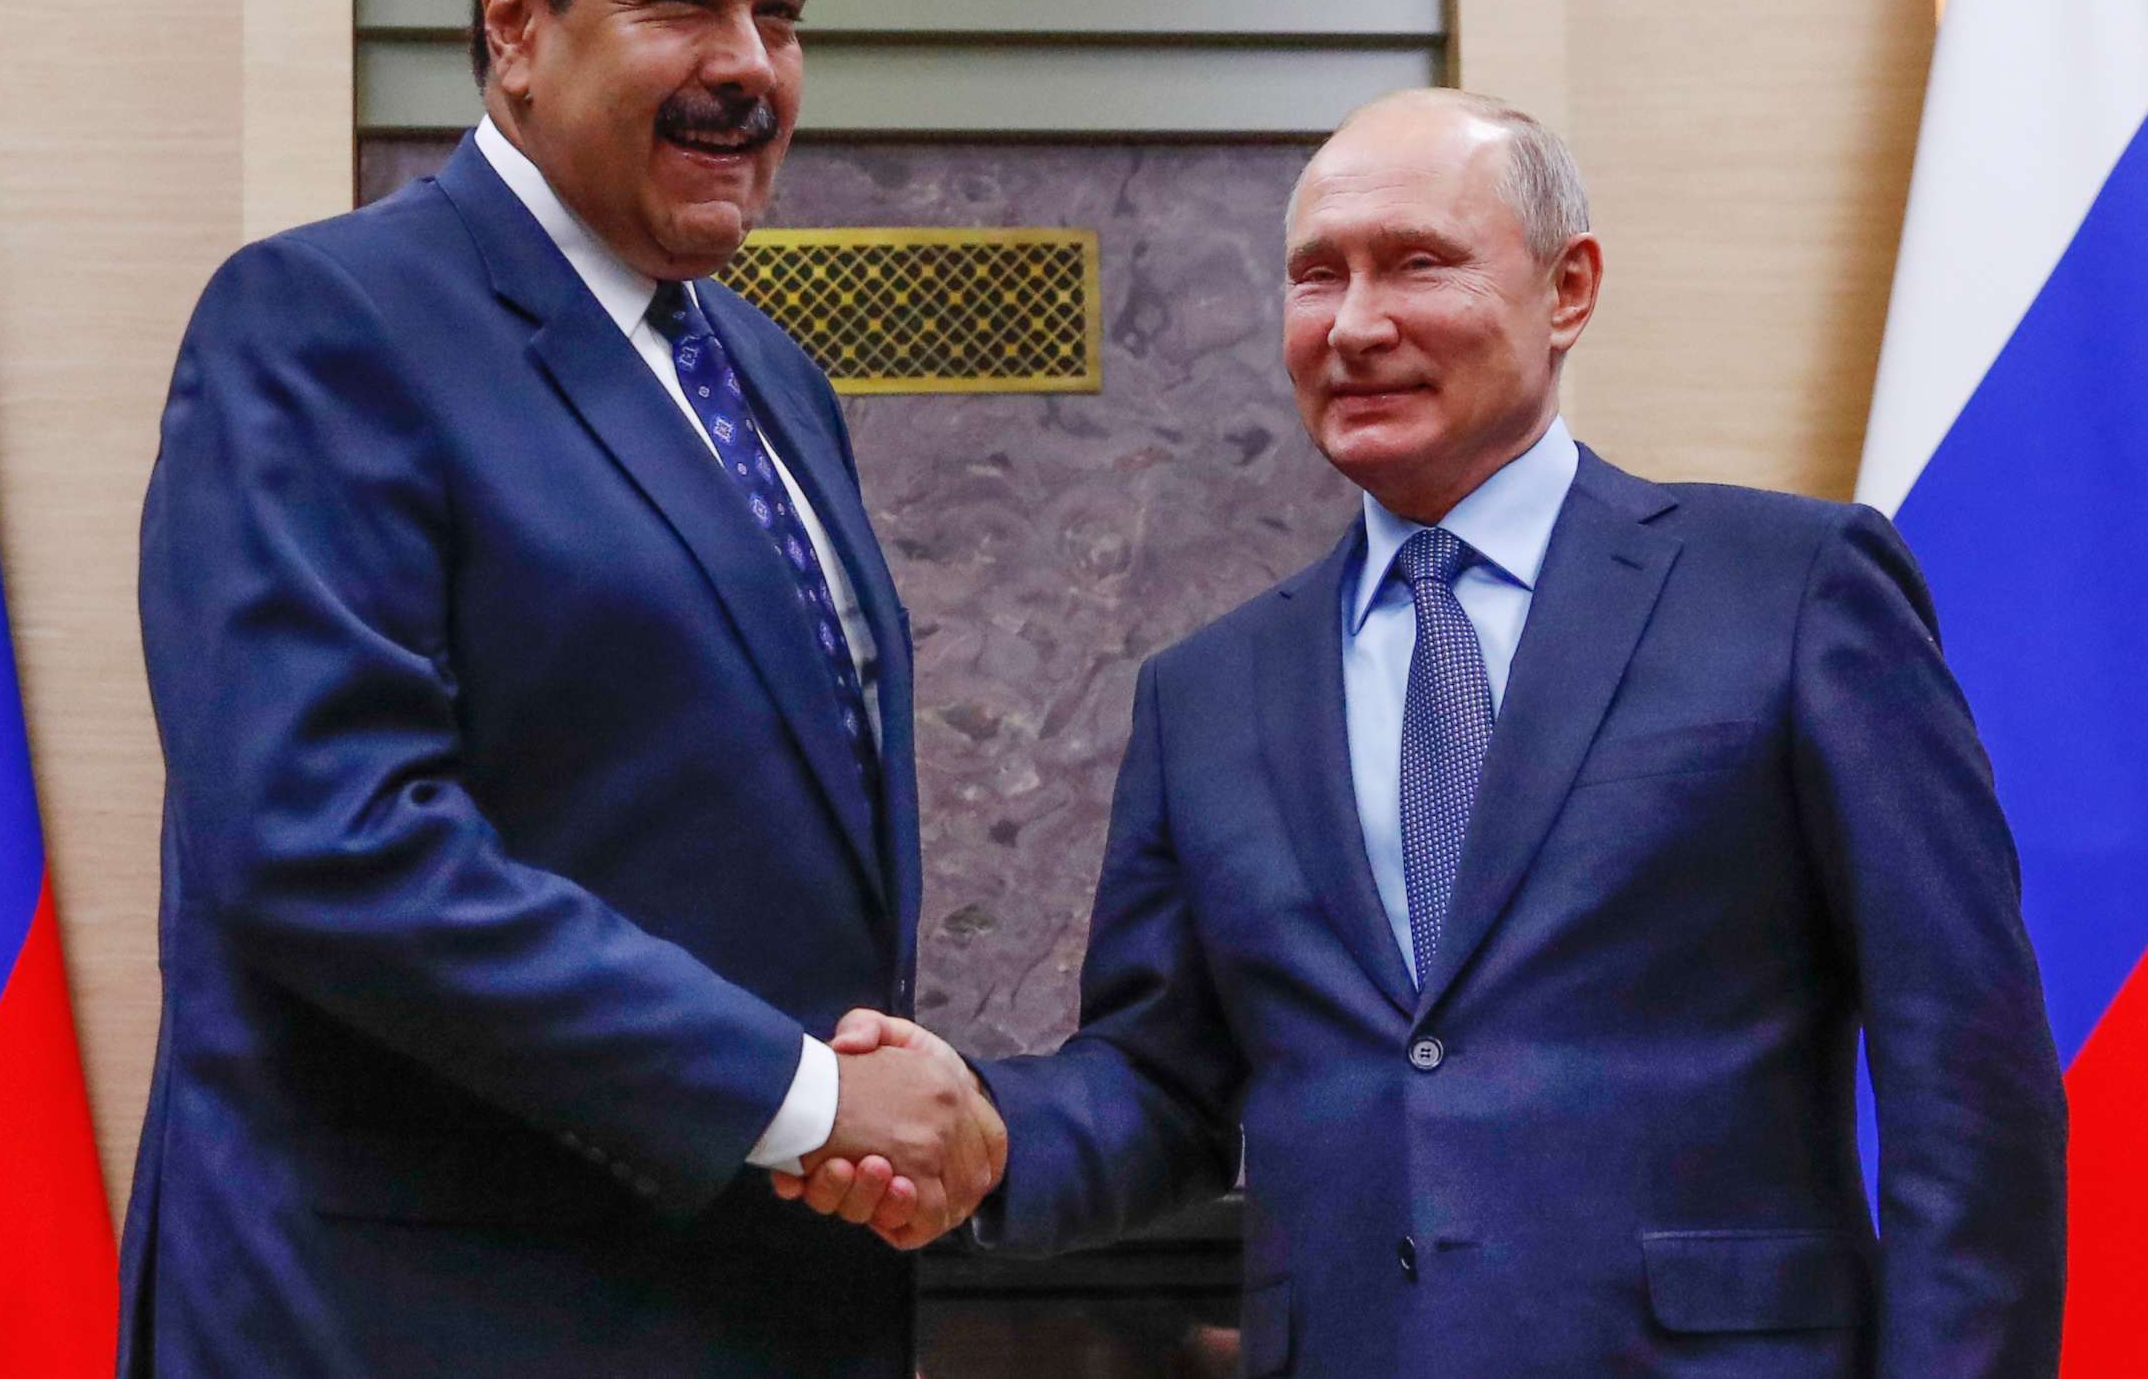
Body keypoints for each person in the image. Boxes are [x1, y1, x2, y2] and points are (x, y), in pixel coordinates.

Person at [791, 89, 2067, 1375]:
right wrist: (986, 1126)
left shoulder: (1790, 590)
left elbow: (1965, 1074)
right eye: (1314, 277)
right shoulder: (1207, 691)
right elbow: (1167, 1090)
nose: (1354, 324)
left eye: (1415, 264)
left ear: (1569, 291)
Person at [121, 0, 1001, 1379]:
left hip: (741, 1304)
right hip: (428, 1324)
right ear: (515, 24)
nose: (749, 68)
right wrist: (802, 1097)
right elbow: (329, 843)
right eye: (684, 2)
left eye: (781, 15)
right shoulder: (326, 326)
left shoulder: (771, 373)